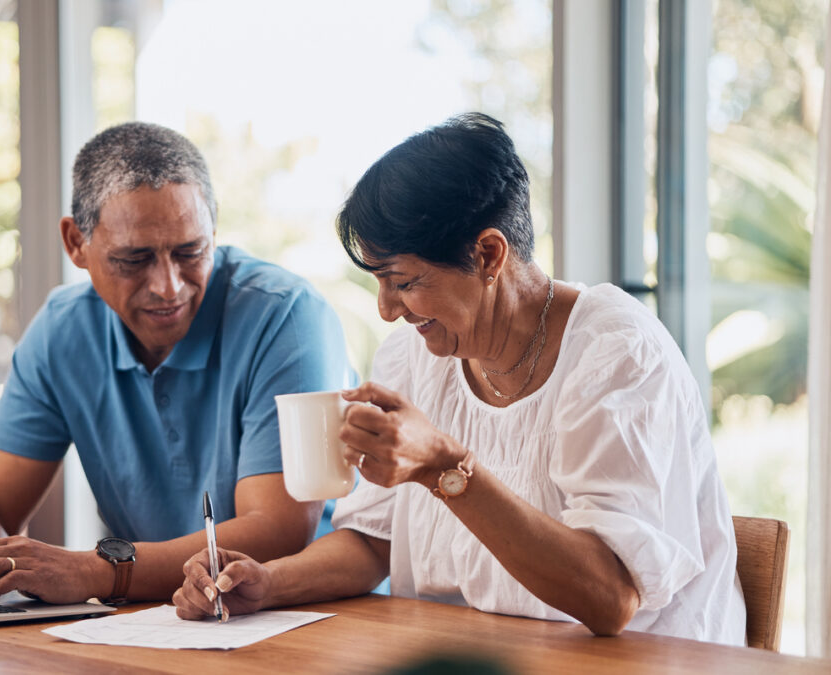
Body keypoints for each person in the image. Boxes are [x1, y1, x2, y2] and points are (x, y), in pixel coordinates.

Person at [172, 113, 746, 644]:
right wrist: (266, 583)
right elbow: (374, 541)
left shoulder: (616, 355)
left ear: (490, 254)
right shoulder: (414, 355)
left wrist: (444, 469)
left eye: (402, 281)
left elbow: (610, 597)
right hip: (471, 653)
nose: (387, 309)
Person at [0, 122, 352, 605]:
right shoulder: (62, 331)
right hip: (156, 618)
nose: (168, 286)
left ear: (213, 230)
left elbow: (277, 530)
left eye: (190, 251)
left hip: (308, 615)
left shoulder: (286, 316)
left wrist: (97, 572)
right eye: (134, 259)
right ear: (76, 244)